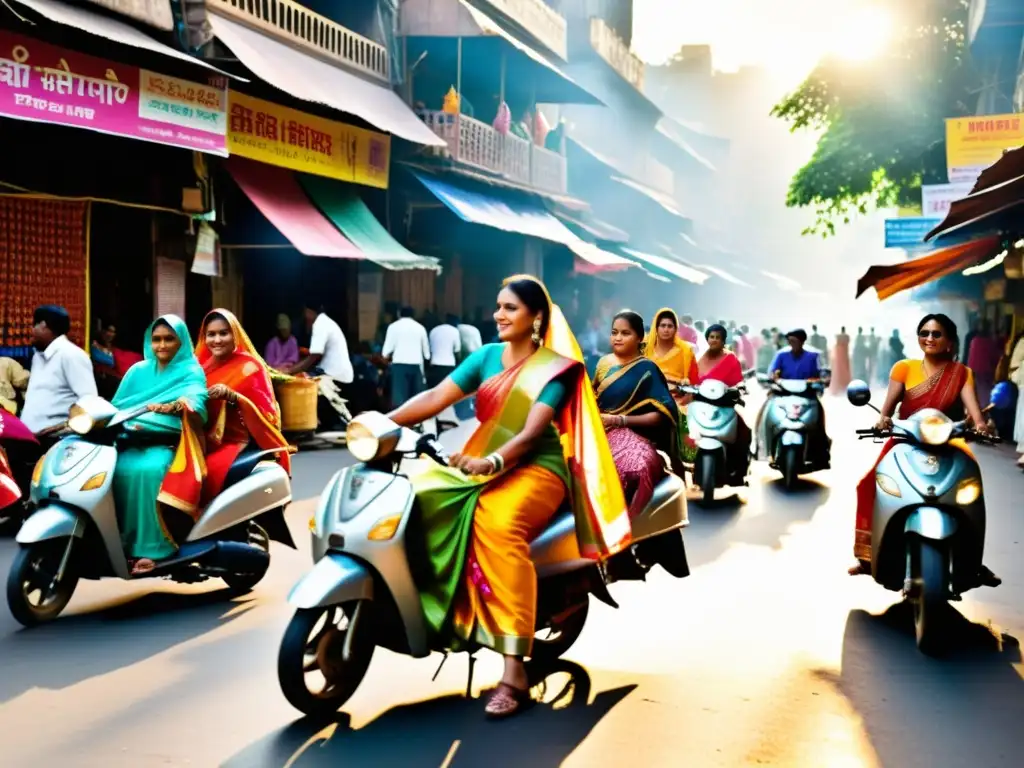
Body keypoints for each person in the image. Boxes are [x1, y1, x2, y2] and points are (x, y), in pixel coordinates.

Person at [386, 275, 628, 718]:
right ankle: (437, 613)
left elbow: (534, 431)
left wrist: (493, 463)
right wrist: (383, 423)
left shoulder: (555, 368)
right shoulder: (484, 357)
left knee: (497, 525)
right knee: (415, 495)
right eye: (498, 306)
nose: (499, 314)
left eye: (511, 308)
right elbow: (438, 395)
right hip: (480, 456)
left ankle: (514, 670)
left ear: (536, 317)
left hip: (537, 469)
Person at [851, 314, 998, 584]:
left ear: (951, 343)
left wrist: (981, 426)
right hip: (906, 439)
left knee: (971, 486)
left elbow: (974, 413)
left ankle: (972, 561)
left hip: (949, 440)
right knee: (868, 484)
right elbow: (888, 409)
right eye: (924, 333)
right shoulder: (903, 368)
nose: (929, 338)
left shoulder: (962, 373)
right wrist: (883, 420)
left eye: (937, 334)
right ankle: (868, 555)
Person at [110, 316, 208, 575]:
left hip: (172, 445)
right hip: (129, 440)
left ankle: (154, 547)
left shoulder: (191, 370)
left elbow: (196, 401)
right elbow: (117, 406)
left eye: (168, 339)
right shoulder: (137, 371)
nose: (161, 345)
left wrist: (174, 407)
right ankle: (118, 543)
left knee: (149, 470)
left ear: (181, 341)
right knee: (108, 471)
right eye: (156, 339)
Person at [195, 309, 291, 506]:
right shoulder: (199, 367)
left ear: (235, 335)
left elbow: (269, 416)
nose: (217, 340)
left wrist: (234, 397)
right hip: (198, 439)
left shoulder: (251, 366)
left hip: (235, 442)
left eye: (224, 333)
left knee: (205, 474)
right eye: (211, 334)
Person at [595, 311, 683, 519]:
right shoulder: (602, 364)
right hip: (598, 431)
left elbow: (662, 414)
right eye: (614, 332)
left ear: (639, 338)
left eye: (625, 333)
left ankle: (628, 523)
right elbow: (590, 398)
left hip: (635, 435)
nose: (618, 338)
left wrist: (618, 420)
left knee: (631, 470)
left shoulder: (647, 369)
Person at [20, 305, 97, 436]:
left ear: (43, 325)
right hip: (31, 438)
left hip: (56, 440)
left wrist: (65, 427)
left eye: (35, 326)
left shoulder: (71, 355)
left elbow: (89, 401)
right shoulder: (38, 356)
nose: (31, 331)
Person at [288, 303, 354, 429]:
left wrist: (290, 371)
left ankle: (308, 423)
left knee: (302, 383)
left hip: (334, 373)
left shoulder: (320, 325)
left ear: (309, 311)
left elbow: (314, 356)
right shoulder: (324, 322)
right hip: (332, 370)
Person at [645, 309, 699, 462]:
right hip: (645, 397)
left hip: (677, 398)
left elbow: (694, 380)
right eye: (662, 325)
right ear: (656, 327)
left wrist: (687, 391)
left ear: (676, 329)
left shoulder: (685, 350)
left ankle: (686, 460)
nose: (666, 329)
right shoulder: (644, 348)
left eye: (670, 326)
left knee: (684, 420)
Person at [382, 306, 430, 408]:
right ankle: (415, 422)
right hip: (416, 366)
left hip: (399, 366)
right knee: (415, 399)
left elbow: (385, 352)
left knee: (399, 400)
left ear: (399, 314)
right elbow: (427, 354)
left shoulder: (393, 327)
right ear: (413, 315)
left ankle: (401, 422)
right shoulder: (420, 328)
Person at [967, 320, 999, 407]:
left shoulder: (974, 340)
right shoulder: (990, 342)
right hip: (985, 373)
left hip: (973, 371)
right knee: (984, 395)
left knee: (976, 393)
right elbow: (995, 358)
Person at [428, 314, 462, 388]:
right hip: (449, 365)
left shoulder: (434, 330)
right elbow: (457, 351)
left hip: (435, 364)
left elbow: (430, 350)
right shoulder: (455, 331)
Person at [829, 326, 852, 394]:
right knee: (844, 370)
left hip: (840, 356)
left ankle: (841, 385)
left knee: (840, 370)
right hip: (844, 355)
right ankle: (844, 385)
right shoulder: (846, 336)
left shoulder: (838, 336)